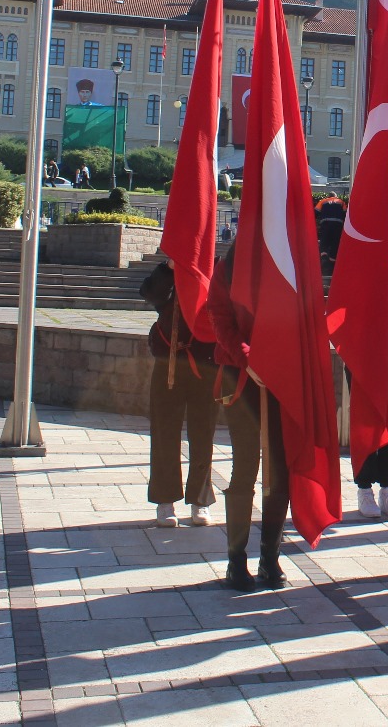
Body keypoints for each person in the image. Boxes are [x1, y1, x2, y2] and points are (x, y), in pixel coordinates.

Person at [207, 244, 288, 593]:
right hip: (240, 378)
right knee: (245, 467)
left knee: (280, 470)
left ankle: (270, 557)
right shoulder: (227, 266)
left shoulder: (287, 259)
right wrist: (249, 358)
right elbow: (221, 318)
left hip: (281, 376)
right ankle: (235, 559)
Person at [139, 262, 219, 528]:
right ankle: (165, 500)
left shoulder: (215, 268)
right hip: (169, 364)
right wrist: (169, 268)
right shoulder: (169, 270)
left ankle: (200, 499)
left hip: (205, 364)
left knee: (203, 434)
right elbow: (149, 294)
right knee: (164, 433)